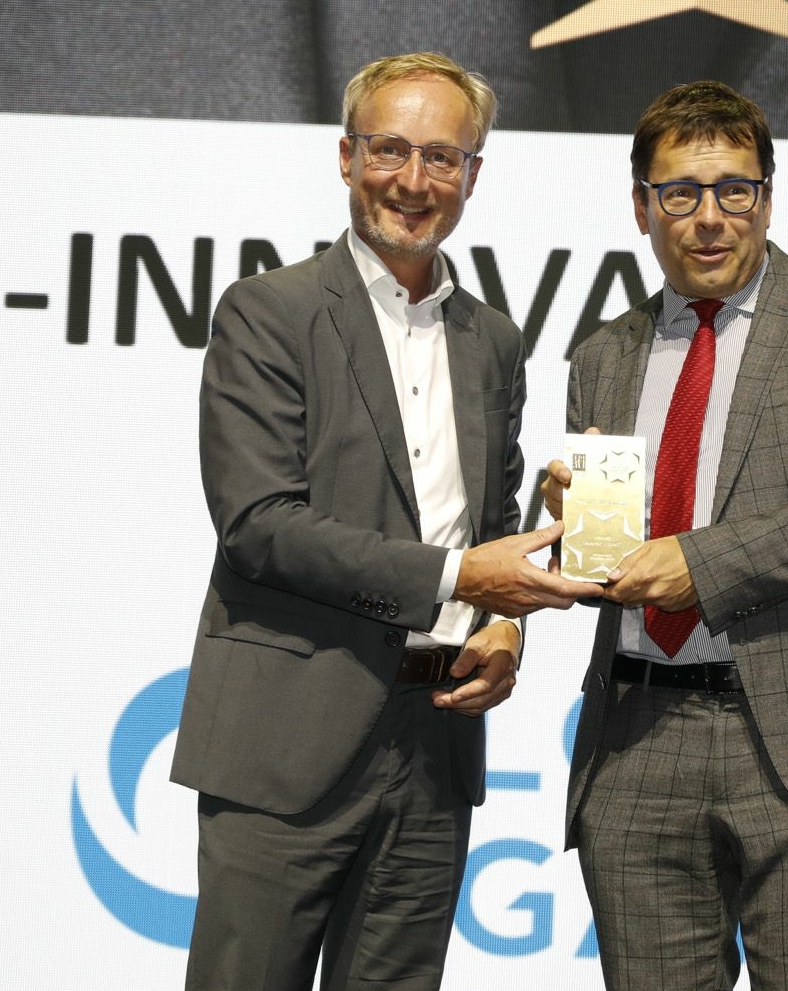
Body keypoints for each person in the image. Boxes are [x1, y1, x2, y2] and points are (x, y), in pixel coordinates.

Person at [172, 51, 599, 991]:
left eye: (442, 157)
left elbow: (489, 520)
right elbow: (260, 525)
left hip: (434, 741)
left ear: (473, 175)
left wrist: (503, 628)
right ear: (346, 156)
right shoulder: (268, 312)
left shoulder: (493, 340)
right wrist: (458, 579)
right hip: (284, 737)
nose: (413, 180)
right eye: (389, 149)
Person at [544, 80, 788, 990]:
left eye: (735, 189)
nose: (710, 217)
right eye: (681, 192)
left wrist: (704, 561)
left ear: (767, 196)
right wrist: (572, 530)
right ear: (642, 205)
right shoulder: (603, 354)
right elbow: (615, 561)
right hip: (637, 740)